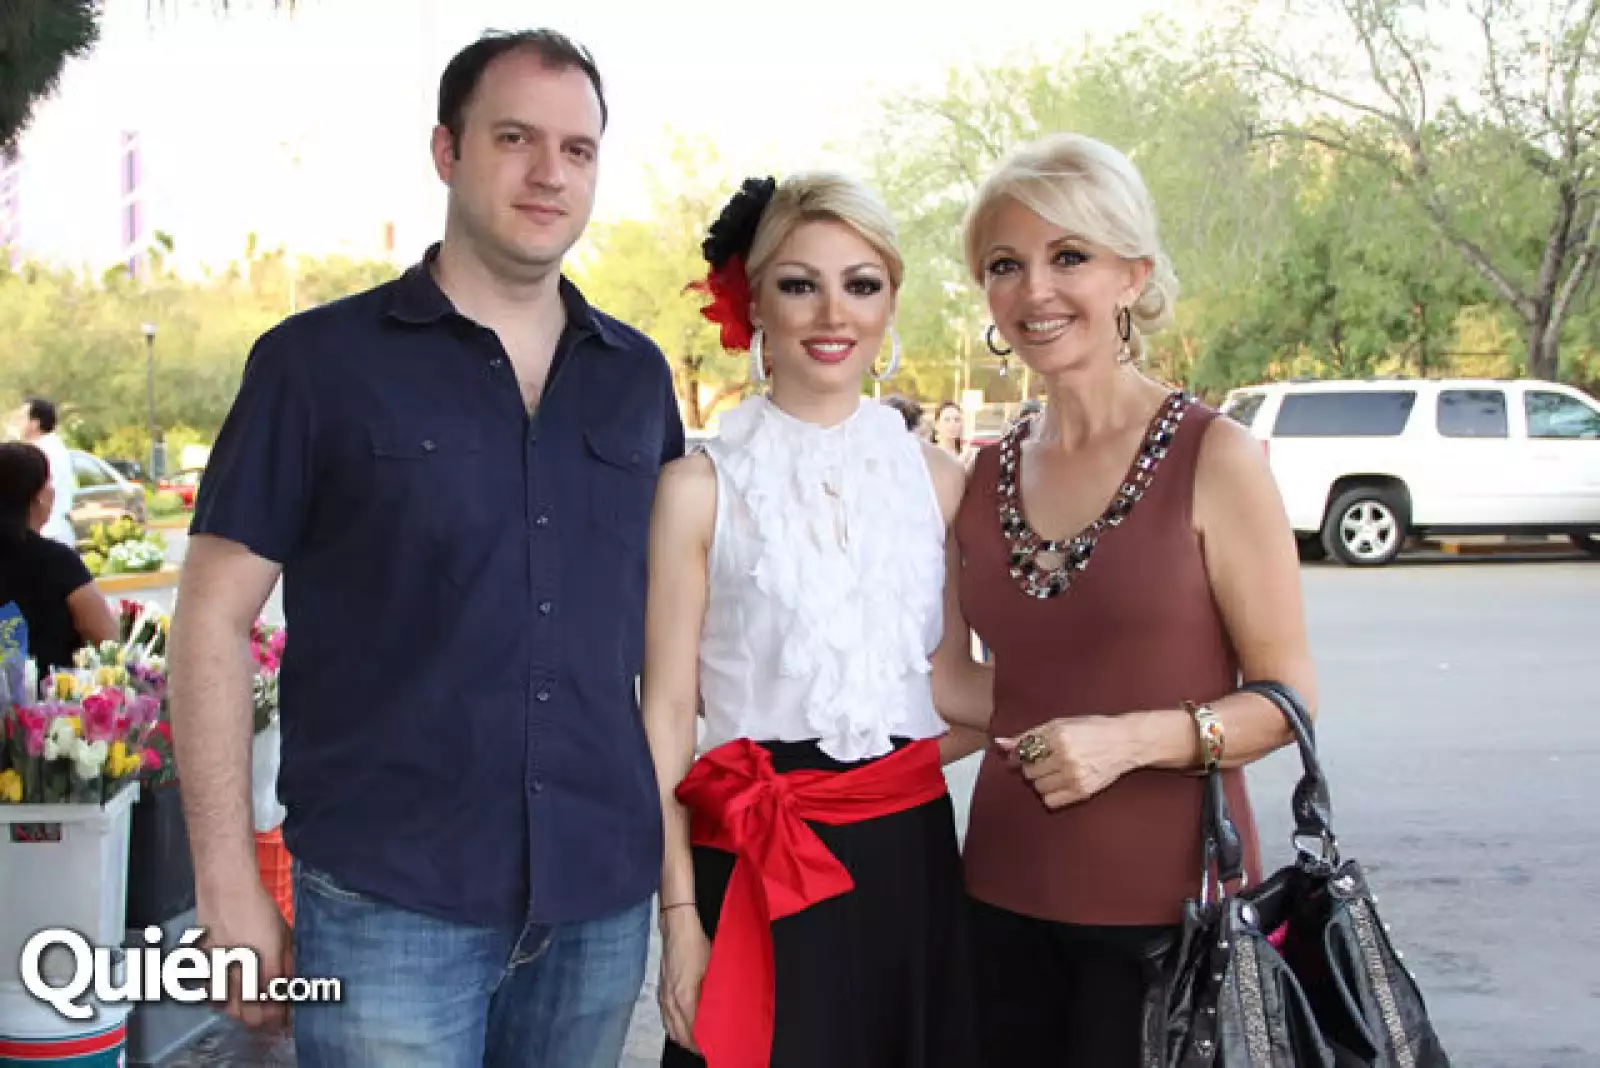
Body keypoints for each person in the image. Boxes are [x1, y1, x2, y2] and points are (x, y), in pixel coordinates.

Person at [167, 29, 684, 1068]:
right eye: (515, 138)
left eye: (577, 150)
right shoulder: (315, 367)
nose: (550, 173)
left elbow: (668, 648)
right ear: (446, 151)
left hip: (595, 902)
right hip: (389, 904)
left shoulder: (636, 378)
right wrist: (225, 885)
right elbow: (210, 622)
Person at [949, 132, 1317, 1066]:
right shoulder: (982, 472)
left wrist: (1128, 740)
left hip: (1170, 914)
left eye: (1068, 256)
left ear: (1132, 276)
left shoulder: (1214, 456)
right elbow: (962, 691)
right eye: (1005, 265)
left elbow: (1286, 705)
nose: (1035, 290)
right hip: (996, 895)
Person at [643, 173, 990, 1068]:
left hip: (908, 866)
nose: (833, 312)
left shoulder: (940, 482)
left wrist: (1135, 714)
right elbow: (666, 717)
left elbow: (953, 688)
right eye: (800, 283)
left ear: (889, 303)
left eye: (861, 283)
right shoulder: (696, 488)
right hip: (752, 863)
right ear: (754, 302)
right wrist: (679, 917)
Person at [0, 442, 117, 676]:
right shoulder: (58, 562)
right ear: (37, 497)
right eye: (49, 481)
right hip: (47, 705)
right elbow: (106, 638)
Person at [15, 398, 77, 547]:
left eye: (22, 418)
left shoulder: (41, 453)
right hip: (57, 529)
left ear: (35, 423)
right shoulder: (55, 447)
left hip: (48, 531)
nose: (18, 423)